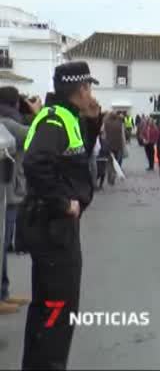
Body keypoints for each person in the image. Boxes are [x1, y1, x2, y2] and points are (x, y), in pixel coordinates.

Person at [18, 61, 101, 370]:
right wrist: (63, 203)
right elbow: (35, 163)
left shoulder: (65, 117)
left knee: (48, 310)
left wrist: (92, 123)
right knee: (56, 312)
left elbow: (75, 162)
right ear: (80, 89)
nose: (91, 93)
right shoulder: (55, 121)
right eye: (89, 87)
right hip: (54, 228)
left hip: (55, 229)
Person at [0, 87, 39, 315]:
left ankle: (4, 293)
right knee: (3, 244)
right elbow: (37, 134)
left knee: (4, 245)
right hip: (8, 192)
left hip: (10, 190)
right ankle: (1, 295)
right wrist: (36, 113)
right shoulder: (8, 123)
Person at [102, 110, 125, 186]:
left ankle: (109, 177)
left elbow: (103, 134)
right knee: (116, 163)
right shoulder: (120, 123)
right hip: (118, 146)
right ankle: (113, 177)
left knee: (109, 163)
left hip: (108, 146)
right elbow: (122, 135)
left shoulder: (106, 123)